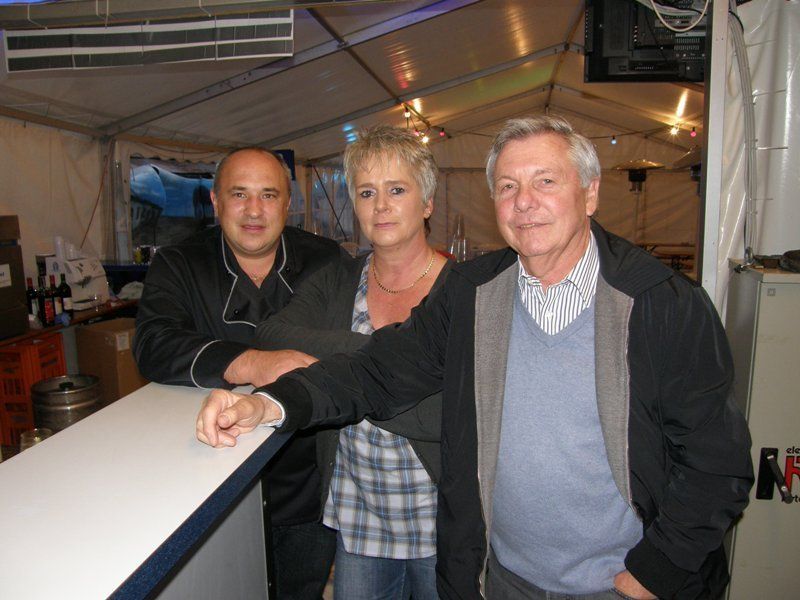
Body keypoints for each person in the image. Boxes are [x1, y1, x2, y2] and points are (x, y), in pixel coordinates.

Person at [197, 117, 753, 600]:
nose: (524, 201)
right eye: (508, 186)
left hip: (619, 584)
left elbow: (717, 462)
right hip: (500, 578)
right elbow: (376, 371)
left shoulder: (660, 304)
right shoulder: (474, 293)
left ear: (589, 194)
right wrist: (270, 405)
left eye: (545, 181)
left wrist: (656, 570)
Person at [250, 125, 451, 600]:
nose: (380, 206)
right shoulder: (338, 279)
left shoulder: (462, 289)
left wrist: (343, 376)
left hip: (442, 519)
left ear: (427, 203)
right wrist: (377, 354)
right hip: (360, 519)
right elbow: (271, 334)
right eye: (366, 192)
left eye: (397, 190)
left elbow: (458, 412)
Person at [134, 147, 345, 599]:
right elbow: (153, 344)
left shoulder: (327, 261)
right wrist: (252, 362)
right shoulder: (179, 263)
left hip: (307, 485)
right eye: (239, 194)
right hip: (210, 485)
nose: (254, 210)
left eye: (268, 195)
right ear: (215, 201)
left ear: (288, 203)